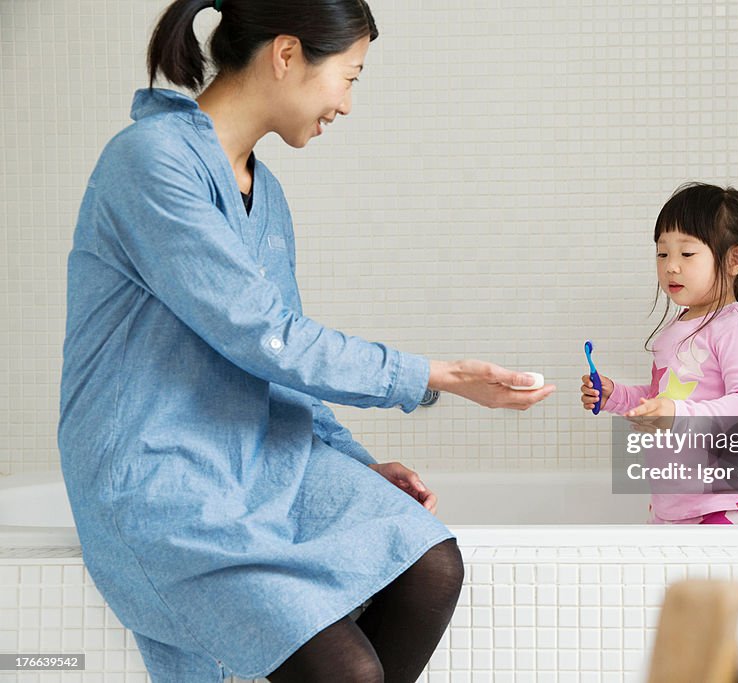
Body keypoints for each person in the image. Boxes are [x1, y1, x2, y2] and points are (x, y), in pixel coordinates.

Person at [57, 1, 554, 681]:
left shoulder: (268, 196)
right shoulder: (150, 163)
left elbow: (283, 370)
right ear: (286, 55)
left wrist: (352, 461)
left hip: (259, 462)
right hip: (159, 481)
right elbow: (265, 336)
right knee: (346, 670)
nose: (347, 105)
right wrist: (436, 375)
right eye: (349, 78)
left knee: (430, 562)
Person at [580, 182, 738, 525]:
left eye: (686, 254)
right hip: (672, 502)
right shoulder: (677, 328)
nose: (671, 266)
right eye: (662, 253)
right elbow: (663, 399)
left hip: (719, 506)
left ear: (735, 259)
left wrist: (675, 413)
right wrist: (617, 396)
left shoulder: (735, 326)